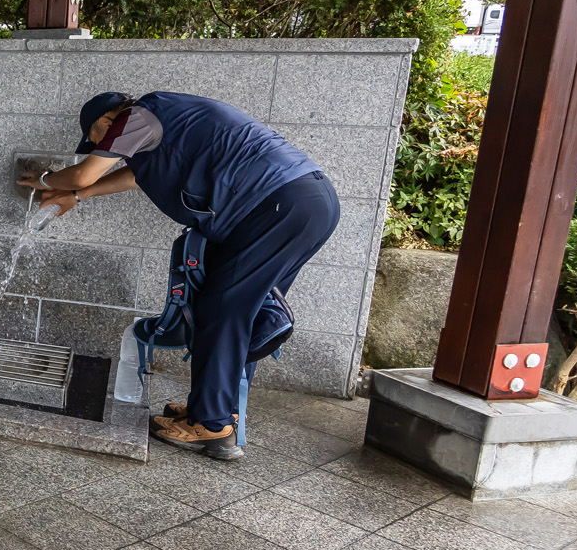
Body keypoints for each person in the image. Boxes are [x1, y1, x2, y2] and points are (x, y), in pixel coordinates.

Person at [20, 91, 340, 460]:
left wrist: (46, 180)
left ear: (107, 123)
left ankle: (214, 426)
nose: (98, 147)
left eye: (96, 138)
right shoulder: (167, 123)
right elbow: (134, 177)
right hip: (301, 203)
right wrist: (76, 197)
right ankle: (214, 409)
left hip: (277, 206)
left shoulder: (139, 116)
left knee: (225, 308)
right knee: (240, 312)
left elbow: (85, 172)